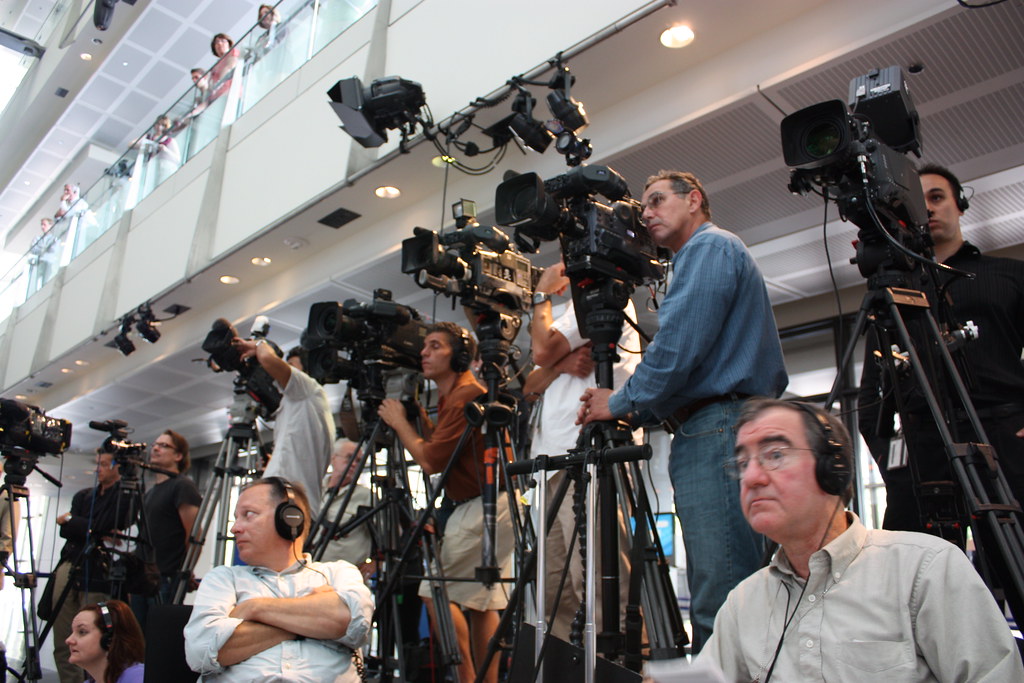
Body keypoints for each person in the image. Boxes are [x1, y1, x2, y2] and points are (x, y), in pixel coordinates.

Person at [578, 170, 788, 651]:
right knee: (733, 588)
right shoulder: (696, 258)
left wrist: (621, 402)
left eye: (655, 201)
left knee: (723, 596)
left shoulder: (710, 249)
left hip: (719, 428)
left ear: (694, 199)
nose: (645, 213)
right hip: (715, 426)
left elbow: (677, 349)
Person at [698, 398, 1023, 681]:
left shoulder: (925, 571)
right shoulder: (743, 603)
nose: (752, 477)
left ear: (833, 468)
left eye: (775, 455)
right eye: (743, 463)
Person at [858, 163, 1024, 537]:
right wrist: (889, 458)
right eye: (919, 201)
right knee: (920, 577)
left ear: (959, 205)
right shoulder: (892, 294)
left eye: (937, 197)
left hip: (1004, 440)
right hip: (923, 447)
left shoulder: (1011, 275)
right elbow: (871, 390)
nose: (929, 209)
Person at [378, 321, 514, 683]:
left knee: (433, 592)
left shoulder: (465, 394)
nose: (424, 352)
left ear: (459, 357)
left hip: (481, 506)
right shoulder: (454, 395)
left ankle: (467, 679)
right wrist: (416, 416)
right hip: (498, 506)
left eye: (435, 346)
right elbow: (441, 446)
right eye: (425, 347)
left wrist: (396, 420)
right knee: (483, 604)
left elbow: (430, 461)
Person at [524, 258, 640, 641]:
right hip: (551, 461)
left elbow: (541, 352)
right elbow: (530, 382)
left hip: (591, 451)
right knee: (555, 592)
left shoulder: (600, 295)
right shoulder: (571, 311)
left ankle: (617, 665)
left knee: (596, 584)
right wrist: (561, 364)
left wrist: (540, 292)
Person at [184, 477, 373, 681]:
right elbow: (200, 653)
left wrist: (254, 608)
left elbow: (352, 624)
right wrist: (311, 622)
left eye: (248, 515)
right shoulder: (223, 578)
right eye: (236, 517)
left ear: (290, 518)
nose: (235, 528)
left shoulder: (339, 572)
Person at [51, 450, 134, 683]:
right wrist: (94, 529)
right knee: (64, 636)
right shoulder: (84, 496)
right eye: (98, 463)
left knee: (95, 638)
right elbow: (68, 529)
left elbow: (105, 524)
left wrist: (73, 521)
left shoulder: (124, 497)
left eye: (105, 463)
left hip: (99, 571)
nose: (99, 468)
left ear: (118, 466)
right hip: (71, 563)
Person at [231, 340, 335, 502]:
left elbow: (267, 359)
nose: (285, 369)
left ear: (306, 371)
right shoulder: (298, 403)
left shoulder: (309, 389)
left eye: (291, 365)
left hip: (291, 502)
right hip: (287, 499)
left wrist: (259, 344)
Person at [131, 430, 201, 627]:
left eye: (164, 445)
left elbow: (195, 534)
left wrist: (186, 572)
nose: (156, 448)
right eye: (155, 444)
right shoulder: (151, 491)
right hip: (143, 578)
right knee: (139, 638)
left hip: (166, 577)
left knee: (158, 637)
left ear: (178, 456)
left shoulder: (183, 486)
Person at [318, 439, 374, 577]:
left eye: (359, 461)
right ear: (333, 459)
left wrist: (376, 562)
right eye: (350, 458)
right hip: (313, 570)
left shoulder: (366, 496)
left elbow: (387, 533)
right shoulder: (315, 490)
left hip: (347, 576)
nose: (354, 464)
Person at [66, 600, 145, 683]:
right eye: (72, 632)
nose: (69, 640)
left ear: (109, 639)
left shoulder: (138, 677)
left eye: (82, 632)